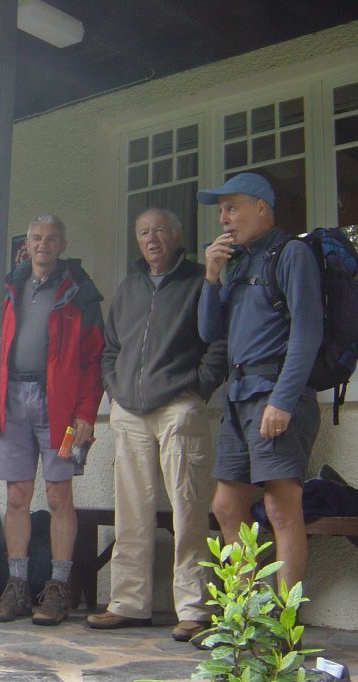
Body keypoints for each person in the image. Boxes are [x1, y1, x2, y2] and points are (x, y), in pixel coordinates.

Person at [86, 208, 226, 642]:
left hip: (178, 407)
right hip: (129, 411)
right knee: (131, 512)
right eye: (144, 231)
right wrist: (115, 387)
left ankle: (194, 608)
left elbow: (219, 340)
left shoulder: (200, 280)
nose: (152, 239)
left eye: (160, 230)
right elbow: (110, 349)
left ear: (177, 236)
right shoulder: (128, 288)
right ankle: (129, 603)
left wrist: (198, 387)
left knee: (188, 509)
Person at [197, 172, 322, 601]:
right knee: (226, 506)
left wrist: (283, 400)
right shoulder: (236, 262)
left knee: (280, 508)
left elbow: (308, 332)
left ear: (261, 207)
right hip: (238, 397)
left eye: (232, 208)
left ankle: (286, 627)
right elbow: (210, 330)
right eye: (221, 211)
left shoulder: (292, 254)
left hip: (276, 396)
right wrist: (211, 277)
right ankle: (247, 617)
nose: (224, 219)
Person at [0, 214, 104, 626]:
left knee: (59, 498)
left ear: (62, 245)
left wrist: (87, 413)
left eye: (51, 239)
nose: (43, 245)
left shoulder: (79, 293)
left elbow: (94, 360)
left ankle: (57, 588)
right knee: (17, 496)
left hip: (60, 404)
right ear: (27, 243)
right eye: (37, 238)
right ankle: (17, 586)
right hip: (11, 400)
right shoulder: (7, 288)